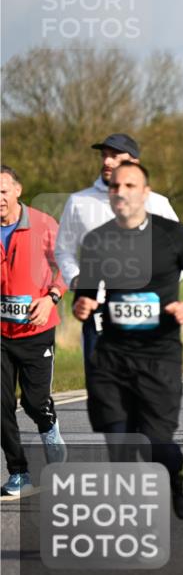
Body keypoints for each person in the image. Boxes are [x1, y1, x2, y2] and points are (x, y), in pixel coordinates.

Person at [72, 162, 183, 518]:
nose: (120, 192)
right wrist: (82, 304)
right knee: (120, 444)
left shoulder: (172, 235)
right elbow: (86, 293)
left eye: (129, 185)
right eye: (115, 186)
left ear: (145, 192)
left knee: (154, 444)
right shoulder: (97, 240)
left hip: (159, 356)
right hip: (112, 356)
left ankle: (178, 468)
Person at [56, 134, 178, 382]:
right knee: (102, 386)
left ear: (134, 162)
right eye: (104, 155)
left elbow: (179, 254)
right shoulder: (79, 202)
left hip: (145, 307)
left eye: (115, 156)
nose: (107, 161)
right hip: (98, 309)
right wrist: (76, 278)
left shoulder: (157, 204)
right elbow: (63, 250)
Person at [1, 166, 68, 496]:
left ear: (18, 190)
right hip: (1, 334)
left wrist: (51, 297)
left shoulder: (42, 224)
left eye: (3, 191)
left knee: (33, 402)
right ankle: (19, 473)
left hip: (36, 330)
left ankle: (49, 425)